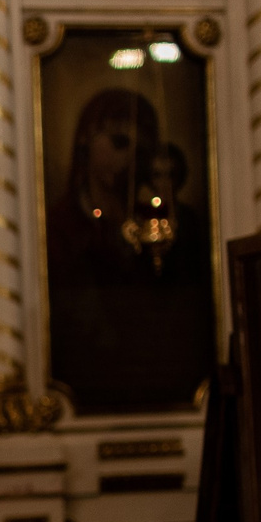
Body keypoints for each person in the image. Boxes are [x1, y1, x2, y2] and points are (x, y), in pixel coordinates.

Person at [43, 86, 215, 414]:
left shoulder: (176, 223)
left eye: (143, 148)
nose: (132, 158)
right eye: (120, 143)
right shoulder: (62, 225)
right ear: (85, 143)